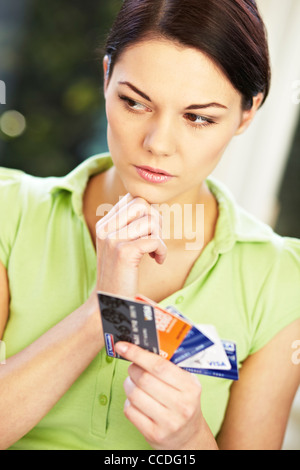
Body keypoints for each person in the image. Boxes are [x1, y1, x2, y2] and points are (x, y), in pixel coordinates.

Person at [0, 0, 299, 450]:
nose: (158, 144)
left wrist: (191, 438)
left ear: (247, 112)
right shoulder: (10, 211)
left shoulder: (280, 279)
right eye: (134, 103)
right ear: (106, 78)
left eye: (199, 117)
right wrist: (101, 312)